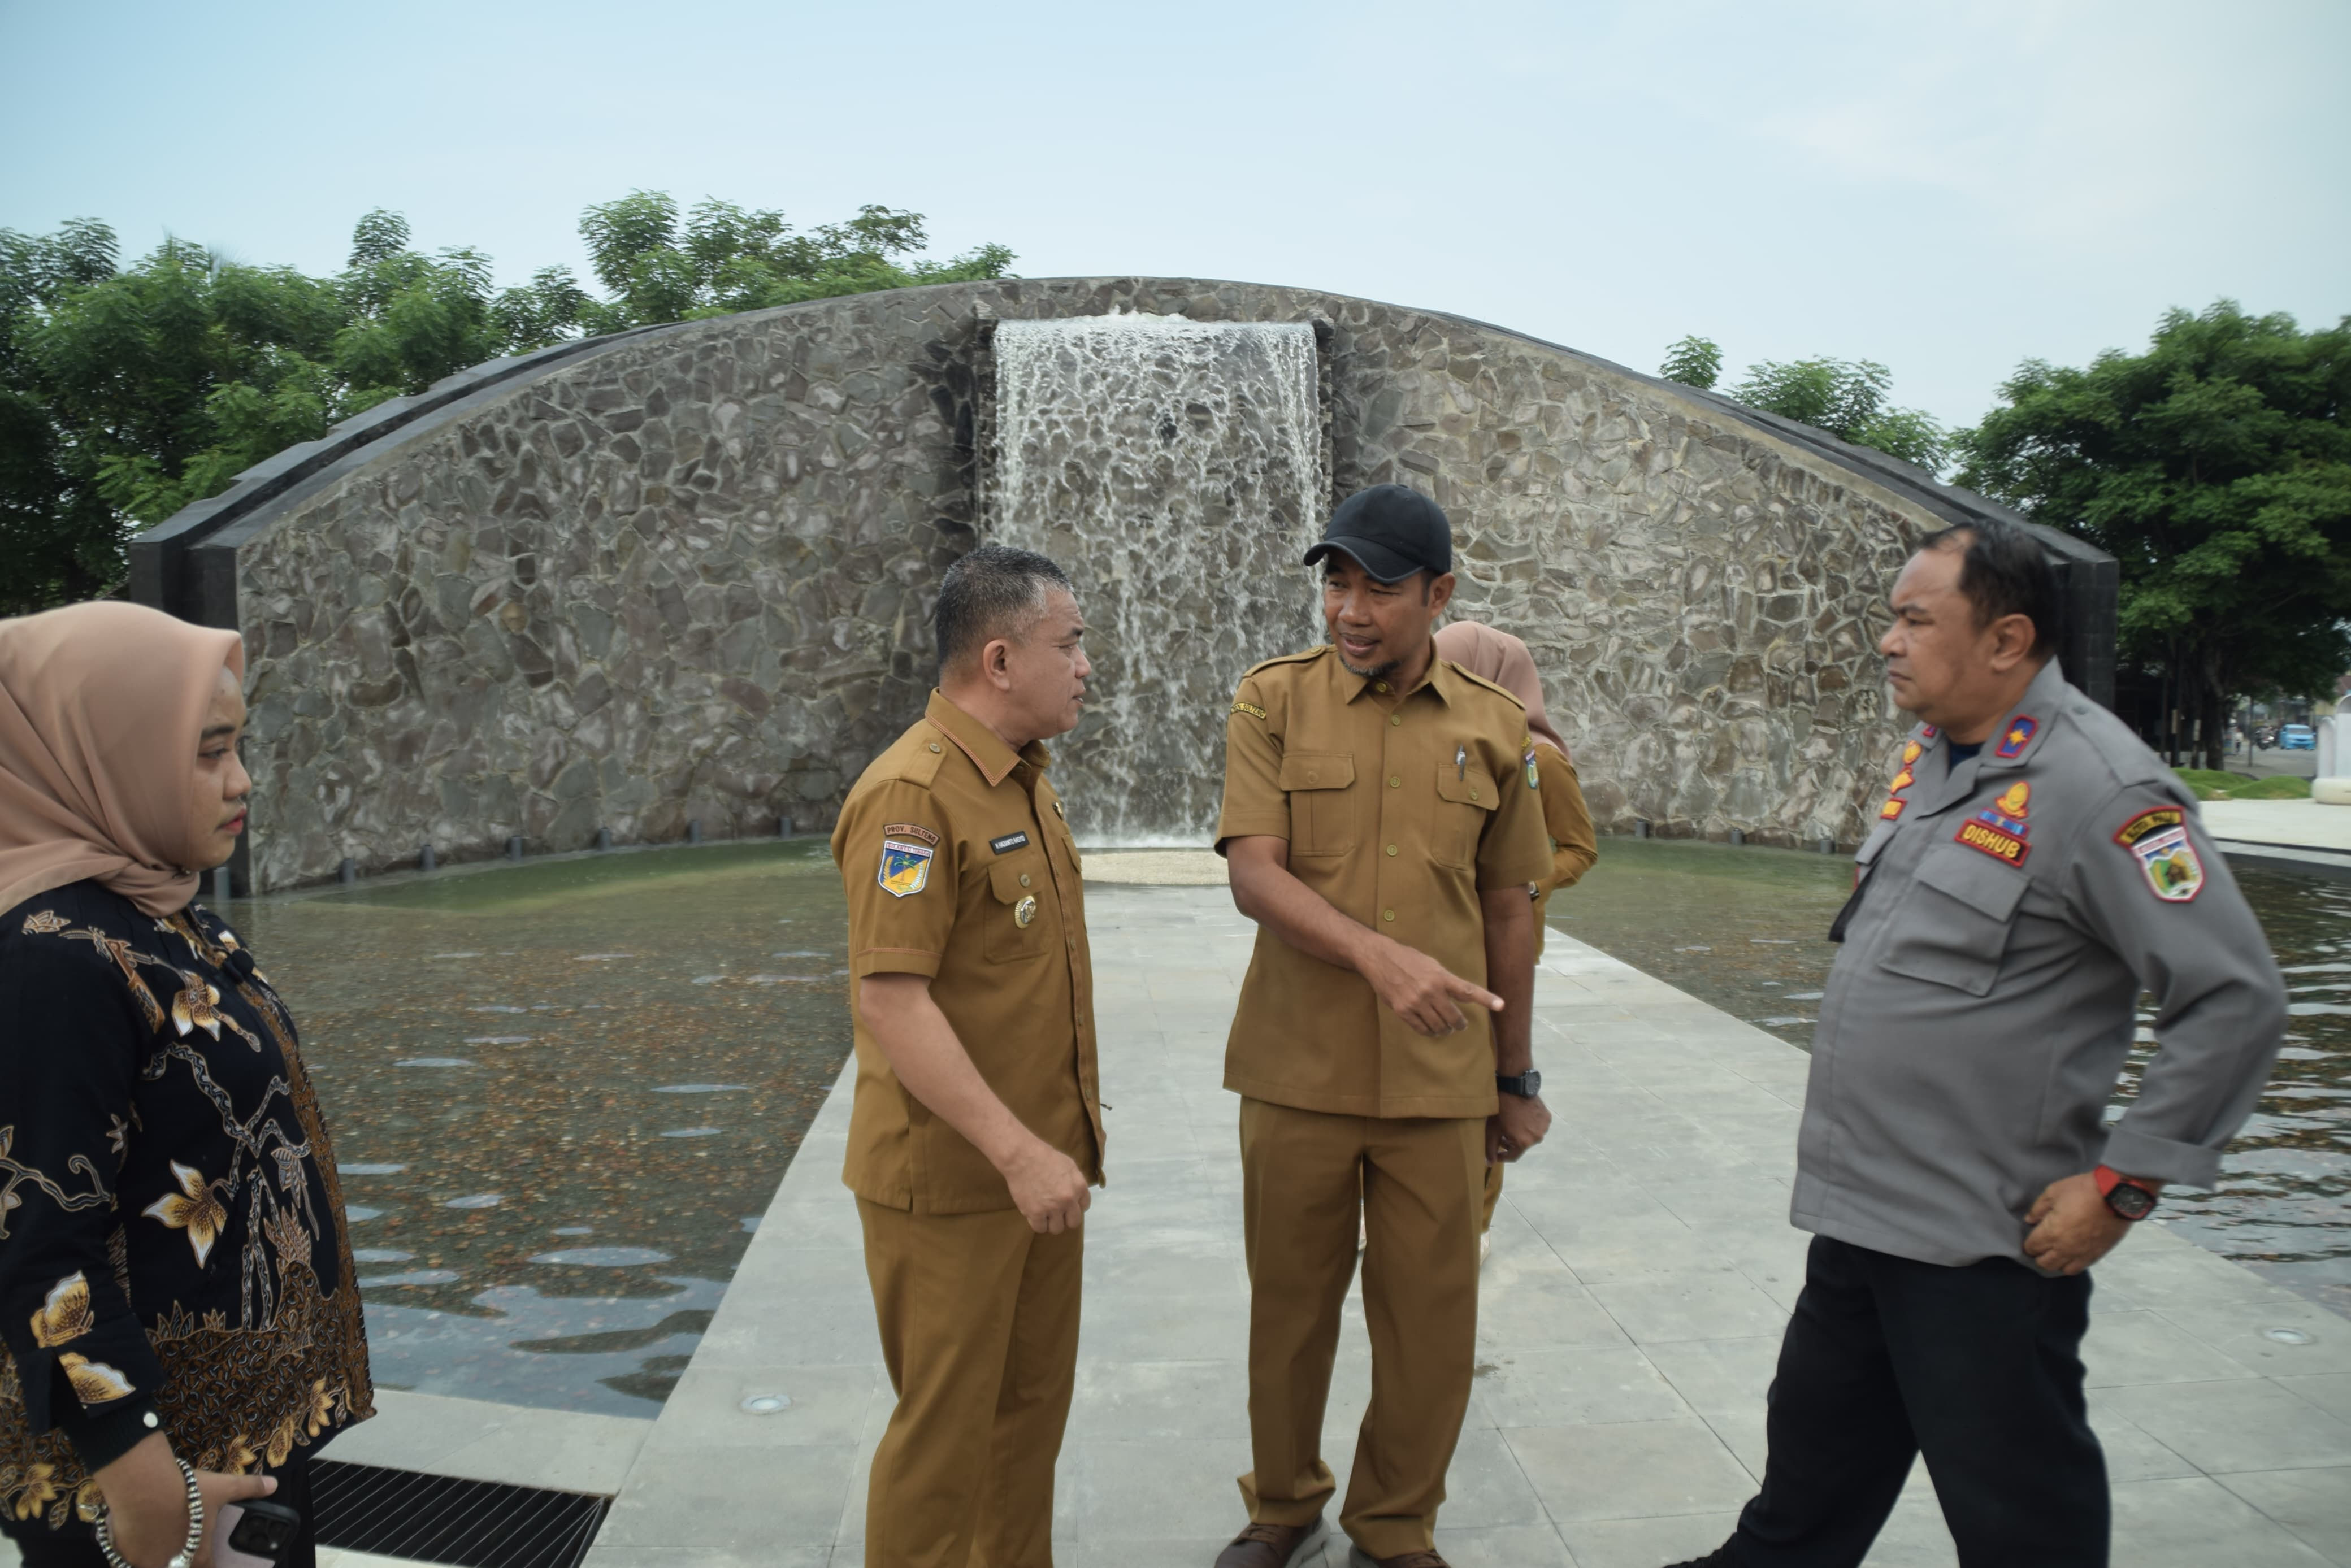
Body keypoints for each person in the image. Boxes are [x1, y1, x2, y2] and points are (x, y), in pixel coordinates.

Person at [1667, 520, 2287, 1568]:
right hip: (1863, 1218)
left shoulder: (2105, 788)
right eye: (1890, 618)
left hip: (1982, 1247)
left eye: (1915, 620)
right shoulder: (1944, 759)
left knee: (2018, 1519)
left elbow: (2233, 997)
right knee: (1804, 1498)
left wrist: (2124, 1184)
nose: (1887, 642)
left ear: (2006, 640)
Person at [1211, 485, 1555, 1568]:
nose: (1350, 611)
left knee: (1430, 1324)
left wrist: (1515, 1079)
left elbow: (1511, 909)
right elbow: (1255, 877)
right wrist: (1377, 955)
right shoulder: (1272, 704)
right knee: (1291, 1311)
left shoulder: (1497, 731)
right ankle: (1282, 1506)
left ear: (1440, 594)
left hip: (1440, 1083)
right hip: (1295, 1069)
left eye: (1380, 588)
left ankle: (1394, 1526)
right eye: (1336, 584)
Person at [0, 602, 374, 1568]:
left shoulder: (153, 910)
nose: (241, 782)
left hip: (235, 1451)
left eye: (238, 746)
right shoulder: (54, 958)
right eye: (209, 751)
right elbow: (40, 1245)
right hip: (161, 1478)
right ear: (104, 752)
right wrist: (141, 1477)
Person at [829, 544, 1103, 1568]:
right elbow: (893, 1002)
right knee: (943, 1443)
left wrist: (1048, 1156)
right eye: (1068, 644)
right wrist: (1017, 1151)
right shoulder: (915, 797)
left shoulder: (1021, 783)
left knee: (1027, 1423)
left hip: (1035, 1177)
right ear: (998, 659)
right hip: (953, 1182)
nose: (1086, 665)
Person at [1429, 622, 1597, 1262]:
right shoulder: (1447, 743)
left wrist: (1522, 888)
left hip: (1503, 941)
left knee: (1486, 1084)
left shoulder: (1540, 758)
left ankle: (1475, 1218)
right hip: (1440, 934)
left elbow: (1580, 848)